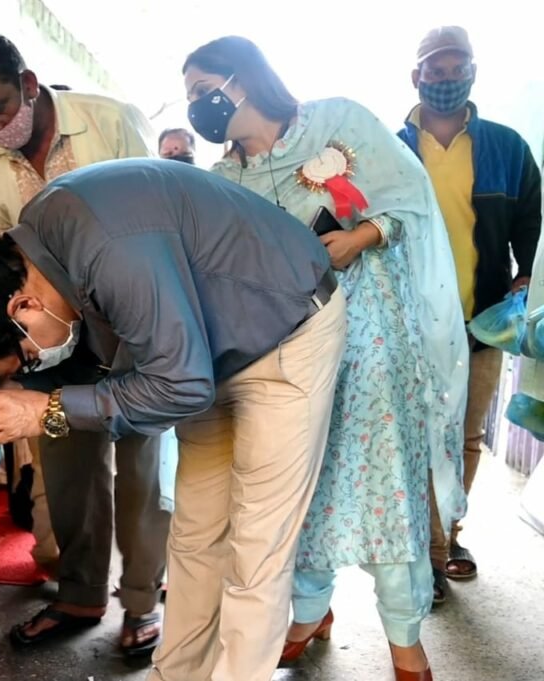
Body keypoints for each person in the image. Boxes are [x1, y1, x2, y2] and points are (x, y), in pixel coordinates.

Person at [0, 158, 347, 681]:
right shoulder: (43, 243)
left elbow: (180, 386)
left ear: (24, 306)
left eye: (28, 359)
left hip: (287, 330)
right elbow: (155, 369)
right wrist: (20, 395)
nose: (37, 367)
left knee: (257, 545)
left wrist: (48, 408)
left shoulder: (107, 249)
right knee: (195, 535)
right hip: (207, 352)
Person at [182, 36, 469, 681]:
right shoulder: (222, 180)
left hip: (371, 347)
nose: (199, 106)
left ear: (242, 80)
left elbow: (409, 198)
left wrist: (360, 236)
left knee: (384, 485)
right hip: (284, 357)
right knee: (298, 491)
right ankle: (308, 612)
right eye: (191, 97)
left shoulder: (337, 120)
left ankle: (404, 638)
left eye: (204, 91)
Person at [0, 32, 168, 655]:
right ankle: (79, 593)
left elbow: (161, 215)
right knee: (66, 468)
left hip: (135, 323)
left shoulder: (110, 121)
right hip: (54, 339)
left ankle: (142, 602)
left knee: (142, 468)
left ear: (28, 84)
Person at [398, 26, 542, 598]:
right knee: (414, 435)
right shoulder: (390, 147)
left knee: (463, 437)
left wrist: (527, 275)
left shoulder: (507, 147)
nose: (447, 79)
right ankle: (422, 546)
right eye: (436, 70)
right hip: (407, 321)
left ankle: (444, 540)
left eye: (458, 68)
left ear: (474, 73)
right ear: (416, 76)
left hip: (481, 319)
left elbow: (532, 220)